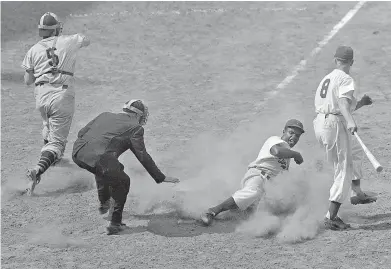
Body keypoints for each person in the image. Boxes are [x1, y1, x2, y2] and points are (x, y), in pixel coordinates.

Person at [72, 99, 180, 235]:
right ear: (137, 115)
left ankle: (104, 201)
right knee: (123, 181)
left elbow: (81, 133)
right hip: (98, 159)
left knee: (105, 169)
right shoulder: (136, 128)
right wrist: (160, 177)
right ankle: (115, 224)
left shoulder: (104, 115)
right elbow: (142, 155)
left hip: (77, 152)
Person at [22, 12, 90, 196]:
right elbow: (86, 40)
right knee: (57, 143)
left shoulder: (33, 50)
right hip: (61, 95)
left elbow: (28, 80)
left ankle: (54, 160)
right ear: (57, 29)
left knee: (49, 130)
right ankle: (38, 169)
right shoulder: (69, 40)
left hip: (41, 96)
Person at [313, 45, 376, 231]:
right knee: (343, 169)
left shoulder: (327, 78)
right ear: (352, 62)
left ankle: (356, 192)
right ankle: (331, 217)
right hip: (334, 125)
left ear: (335, 60)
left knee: (354, 150)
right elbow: (341, 104)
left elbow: (338, 106)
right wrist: (350, 120)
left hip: (321, 124)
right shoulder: (346, 78)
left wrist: (360, 103)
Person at [200, 119, 305, 226]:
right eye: (291, 133)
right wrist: (296, 154)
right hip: (258, 175)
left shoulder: (287, 155)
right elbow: (276, 151)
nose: (294, 137)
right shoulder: (275, 140)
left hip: (267, 186)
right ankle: (212, 211)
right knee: (253, 192)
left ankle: (234, 210)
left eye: (297, 136)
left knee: (254, 212)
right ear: (283, 131)